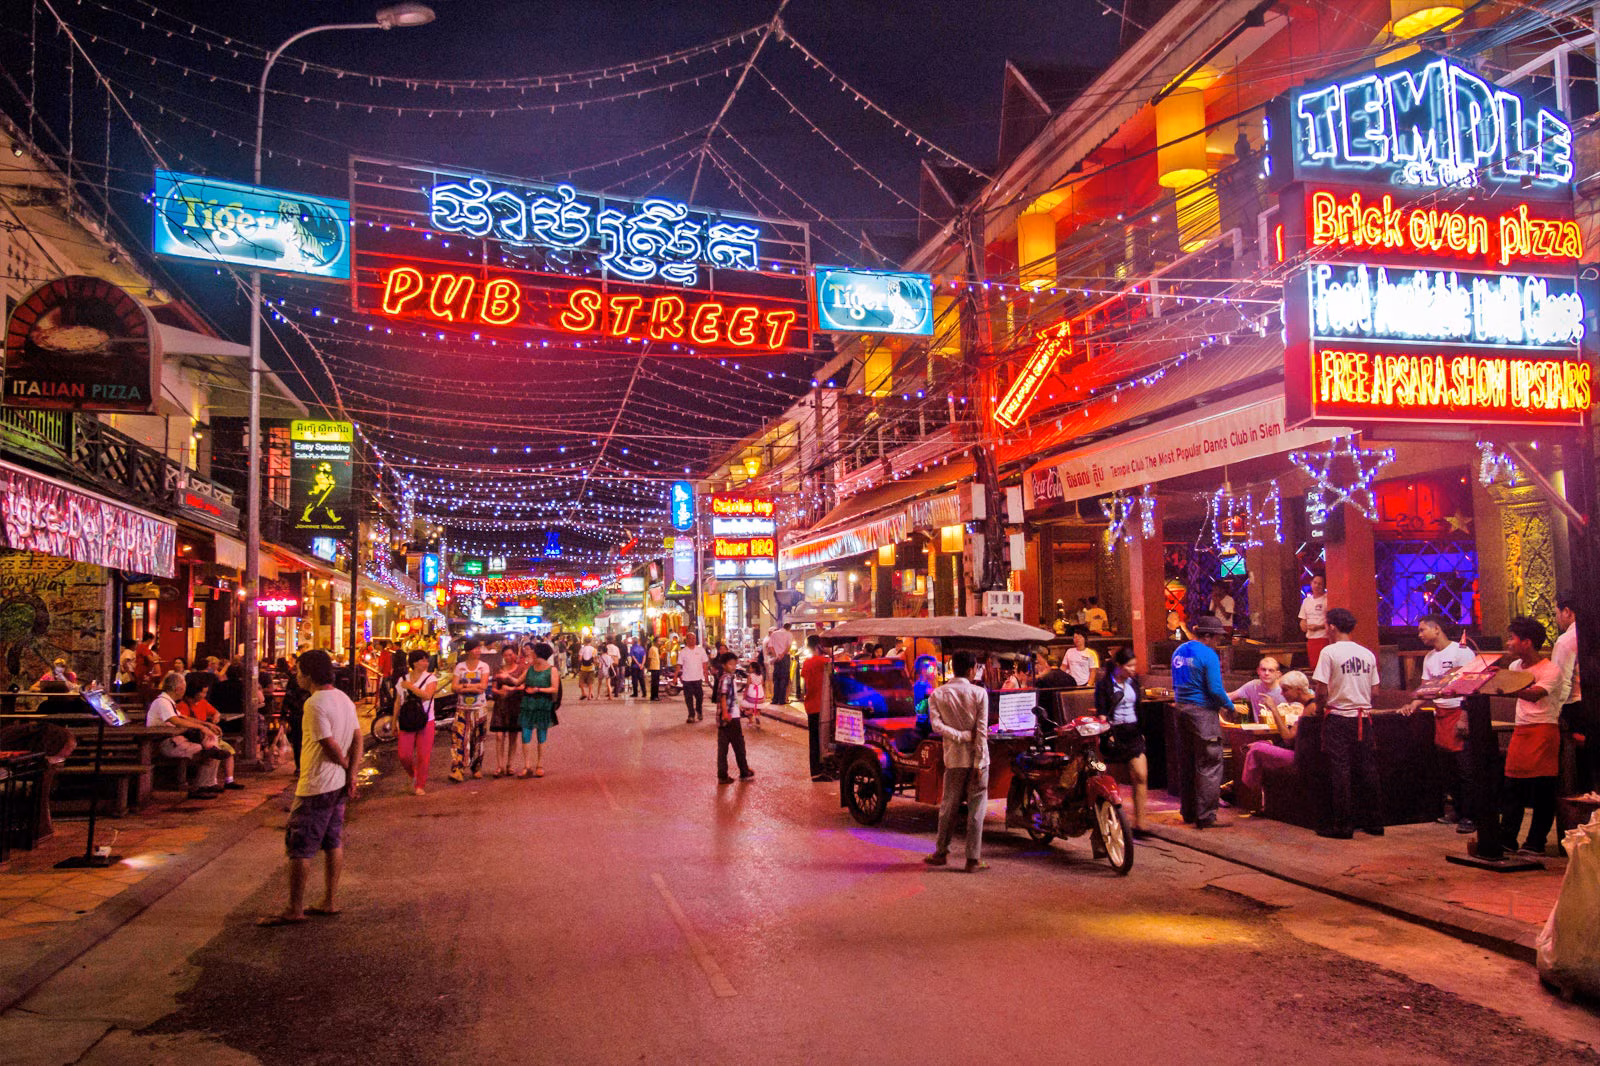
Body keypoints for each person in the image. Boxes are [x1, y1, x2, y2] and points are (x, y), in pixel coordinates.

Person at [259, 648, 361, 927]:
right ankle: (329, 900)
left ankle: (295, 907)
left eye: (299, 670)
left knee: (300, 845)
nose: (297, 675)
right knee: (332, 841)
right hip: (337, 785)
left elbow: (329, 745)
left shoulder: (314, 704)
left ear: (309, 673)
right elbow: (357, 738)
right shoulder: (343, 699)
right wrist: (351, 774)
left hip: (316, 784)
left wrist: (343, 766)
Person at [1402, 615, 1478, 833]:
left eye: (1422, 629)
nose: (1420, 634)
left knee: (1464, 768)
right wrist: (1413, 704)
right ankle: (1456, 810)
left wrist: (1465, 715)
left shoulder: (1461, 652)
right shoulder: (1429, 658)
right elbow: (1428, 688)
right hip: (1440, 714)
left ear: (1437, 629)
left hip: (1458, 711)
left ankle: (1471, 816)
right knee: (1447, 768)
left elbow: (1471, 685)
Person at [1311, 608, 1382, 839]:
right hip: (1364, 718)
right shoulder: (1367, 654)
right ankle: (1374, 823)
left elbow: (1321, 690)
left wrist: (1320, 709)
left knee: (1340, 770)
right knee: (1368, 769)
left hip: (1338, 718)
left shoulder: (1329, 652)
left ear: (1332, 626)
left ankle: (1343, 825)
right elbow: (1375, 691)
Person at [1501, 616, 1564, 857]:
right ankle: (1507, 838)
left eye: (1512, 638)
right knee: (1512, 786)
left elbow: (1535, 694)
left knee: (1542, 788)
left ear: (1527, 642)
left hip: (1543, 729)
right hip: (1521, 729)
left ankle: (1535, 841)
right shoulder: (1515, 667)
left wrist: (1500, 685)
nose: (1509, 643)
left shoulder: (1550, 669)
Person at [923, 650, 990, 872]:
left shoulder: (937, 695)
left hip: (953, 758)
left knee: (948, 806)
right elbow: (981, 732)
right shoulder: (980, 694)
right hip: (977, 760)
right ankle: (972, 859)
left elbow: (936, 726)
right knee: (976, 809)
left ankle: (941, 852)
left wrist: (958, 736)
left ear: (953, 667)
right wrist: (979, 762)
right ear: (971, 669)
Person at [1171, 615, 1233, 829]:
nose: (1218, 641)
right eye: (1216, 637)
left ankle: (1188, 812)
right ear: (1207, 636)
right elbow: (1215, 689)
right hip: (1202, 714)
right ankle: (1206, 816)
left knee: (1187, 762)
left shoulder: (1179, 651)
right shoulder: (1208, 654)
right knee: (1209, 763)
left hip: (1180, 710)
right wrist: (1230, 706)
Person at [146, 671, 234, 798]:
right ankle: (198, 787)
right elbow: (176, 720)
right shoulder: (162, 702)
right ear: (178, 689)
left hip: (174, 739)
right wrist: (202, 728)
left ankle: (207, 784)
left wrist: (206, 725)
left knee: (212, 750)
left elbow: (184, 717)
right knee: (202, 750)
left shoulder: (169, 702)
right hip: (163, 742)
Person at [1094, 647, 1148, 836]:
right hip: (1113, 733)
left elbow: (1138, 707)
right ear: (1118, 666)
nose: (1133, 669)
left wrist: (1142, 731)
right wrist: (1104, 728)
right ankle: (1112, 821)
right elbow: (1101, 710)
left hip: (1132, 732)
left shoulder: (1133, 682)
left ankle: (1140, 824)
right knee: (1111, 782)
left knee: (1141, 775)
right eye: (1129, 666)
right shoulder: (1104, 685)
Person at [1240, 671, 1315, 796]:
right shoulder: (1312, 704)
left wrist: (1273, 709)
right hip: (1303, 752)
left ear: (1298, 690)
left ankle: (1250, 795)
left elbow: (1288, 738)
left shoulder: (1310, 709)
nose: (1281, 693)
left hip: (1303, 758)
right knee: (1258, 744)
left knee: (1257, 749)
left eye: (1285, 690)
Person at [1552, 596, 1591, 792]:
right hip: (1591, 703)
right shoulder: (1591, 633)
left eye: (1557, 613)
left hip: (1575, 707)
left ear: (1567, 611)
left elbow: (1562, 682)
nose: (1557, 618)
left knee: (1578, 763)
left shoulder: (1566, 640)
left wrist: (1555, 712)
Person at [396, 650, 438, 796]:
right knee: (404, 755)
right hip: (407, 720)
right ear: (414, 662)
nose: (426, 663)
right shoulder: (402, 679)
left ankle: (420, 784)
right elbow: (398, 701)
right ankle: (413, 773)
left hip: (426, 720)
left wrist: (410, 687)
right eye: (422, 660)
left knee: (423, 755)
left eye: (427, 660)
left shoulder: (431, 678)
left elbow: (427, 695)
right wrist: (393, 720)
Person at [449, 639, 492, 783]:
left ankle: (477, 767)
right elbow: (453, 687)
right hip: (462, 708)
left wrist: (463, 687)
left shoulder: (483, 666)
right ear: (468, 651)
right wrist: (473, 687)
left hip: (479, 708)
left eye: (479, 648)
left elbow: (484, 686)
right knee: (459, 739)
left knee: (478, 738)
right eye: (475, 649)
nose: (478, 651)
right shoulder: (460, 667)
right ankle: (458, 769)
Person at [519, 642, 560, 778]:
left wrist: (537, 689)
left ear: (538, 654)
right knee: (526, 734)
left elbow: (554, 688)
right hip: (528, 705)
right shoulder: (529, 669)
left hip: (543, 705)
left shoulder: (552, 670)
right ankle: (527, 765)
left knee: (541, 735)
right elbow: (517, 682)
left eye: (533, 652)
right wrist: (505, 677)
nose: (531, 653)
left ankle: (540, 765)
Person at [713, 651, 753, 782]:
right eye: (730, 664)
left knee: (723, 747)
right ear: (724, 665)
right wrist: (726, 713)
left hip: (728, 716)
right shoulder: (727, 678)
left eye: (735, 664)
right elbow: (723, 697)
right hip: (730, 718)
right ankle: (744, 770)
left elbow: (732, 699)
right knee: (739, 745)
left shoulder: (728, 678)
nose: (733, 666)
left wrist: (741, 710)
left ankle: (722, 775)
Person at [489, 644, 526, 777]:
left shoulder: (521, 669)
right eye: (506, 655)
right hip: (501, 705)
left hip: (515, 705)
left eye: (511, 654)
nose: (508, 657)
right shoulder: (498, 670)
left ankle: (510, 764)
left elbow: (523, 686)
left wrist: (511, 689)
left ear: (515, 655)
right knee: (499, 736)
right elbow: (493, 688)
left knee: (513, 736)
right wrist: (499, 691)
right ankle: (499, 765)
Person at [801, 635, 830, 780]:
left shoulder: (807, 663)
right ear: (819, 645)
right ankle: (820, 771)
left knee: (814, 740)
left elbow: (805, 686)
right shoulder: (824, 661)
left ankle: (816, 771)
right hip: (823, 707)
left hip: (811, 705)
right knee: (823, 740)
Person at [1229, 658, 1284, 724]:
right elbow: (1227, 697)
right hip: (1260, 731)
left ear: (1278, 674)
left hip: (1282, 731)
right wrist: (1231, 705)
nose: (1266, 673)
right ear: (1258, 671)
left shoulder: (1285, 689)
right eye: (1263, 670)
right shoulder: (1253, 686)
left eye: (1271, 670)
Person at [1032, 652, 1076, 730]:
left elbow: (1039, 701)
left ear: (1046, 664)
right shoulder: (1071, 679)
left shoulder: (1042, 680)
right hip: (1069, 718)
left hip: (1049, 719)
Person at [1299, 574, 1329, 667]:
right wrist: (1303, 624)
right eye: (1315, 583)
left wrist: (1319, 627)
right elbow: (1303, 618)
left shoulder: (1327, 599)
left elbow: (1331, 621)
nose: (1317, 586)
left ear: (1324, 586)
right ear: (1311, 584)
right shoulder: (1306, 601)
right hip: (1311, 639)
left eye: (1320, 584)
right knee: (1314, 667)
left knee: (1324, 667)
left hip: (1324, 638)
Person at [679, 632, 709, 723]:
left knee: (699, 697)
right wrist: (675, 677)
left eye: (693, 638)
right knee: (688, 698)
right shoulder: (683, 652)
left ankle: (699, 710)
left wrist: (706, 676)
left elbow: (705, 664)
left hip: (697, 678)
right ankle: (691, 715)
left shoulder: (701, 650)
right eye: (690, 638)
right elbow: (679, 664)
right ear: (686, 640)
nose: (692, 640)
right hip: (687, 679)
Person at [765, 623, 794, 706]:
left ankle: (775, 699)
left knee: (776, 678)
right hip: (785, 657)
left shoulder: (774, 634)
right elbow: (789, 646)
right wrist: (783, 654)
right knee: (784, 678)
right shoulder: (789, 634)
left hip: (776, 657)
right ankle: (782, 700)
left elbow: (770, 646)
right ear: (789, 627)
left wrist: (776, 655)